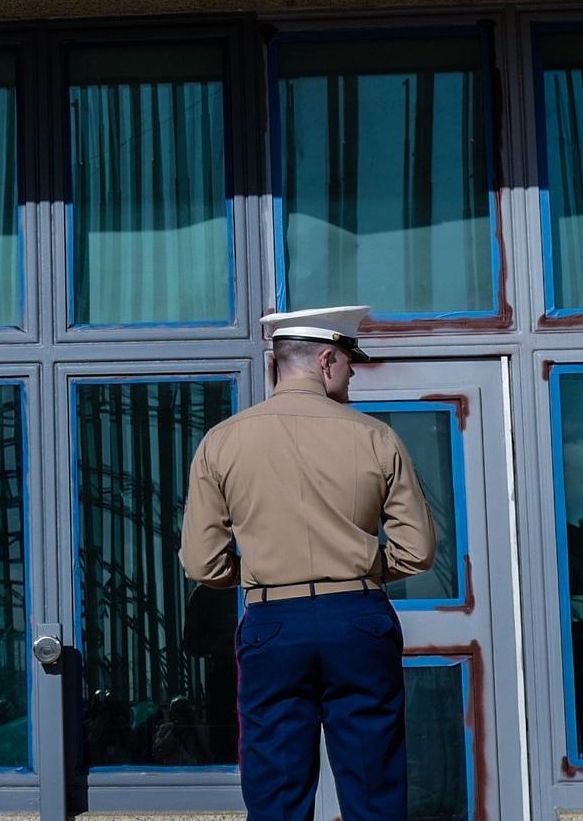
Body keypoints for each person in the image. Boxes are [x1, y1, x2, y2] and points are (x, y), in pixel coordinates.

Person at [180, 306, 439, 821]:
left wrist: (263, 572)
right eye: (349, 361)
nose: (353, 372)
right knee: (374, 784)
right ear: (326, 360)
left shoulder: (222, 441)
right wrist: (361, 567)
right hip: (358, 619)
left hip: (273, 622)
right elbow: (417, 551)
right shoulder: (374, 436)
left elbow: (203, 564)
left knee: (276, 790)